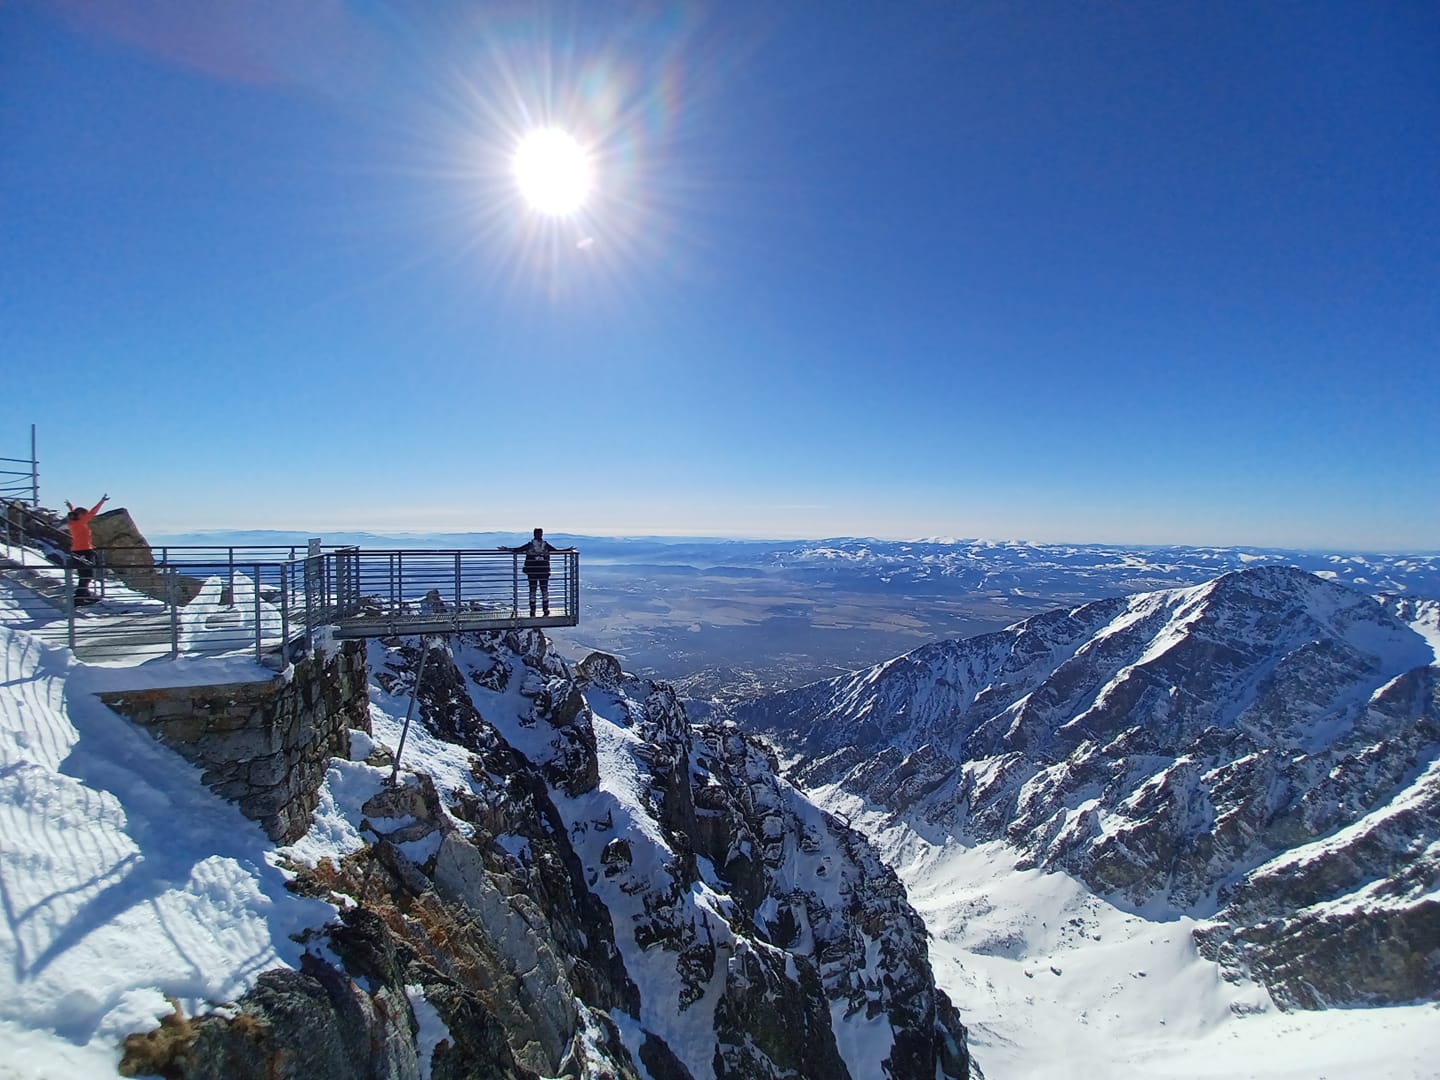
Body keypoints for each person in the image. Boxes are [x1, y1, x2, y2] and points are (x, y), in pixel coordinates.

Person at [504, 527, 573, 617]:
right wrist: (566, 550)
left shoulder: (530, 545)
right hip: (543, 570)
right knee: (542, 590)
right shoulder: (544, 545)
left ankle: (534, 611)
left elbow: (518, 549)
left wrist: (507, 549)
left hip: (533, 571)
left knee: (535, 590)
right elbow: (555, 550)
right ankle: (544, 610)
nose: (539, 535)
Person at [64, 493, 109, 603]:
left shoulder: (72, 523)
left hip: (78, 550)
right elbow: (93, 512)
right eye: (84, 514)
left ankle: (85, 594)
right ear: (80, 515)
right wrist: (102, 501)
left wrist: (70, 506)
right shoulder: (80, 523)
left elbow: (76, 513)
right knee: (87, 575)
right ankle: (79, 598)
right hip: (84, 550)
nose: (86, 515)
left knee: (84, 574)